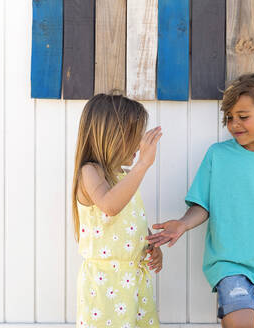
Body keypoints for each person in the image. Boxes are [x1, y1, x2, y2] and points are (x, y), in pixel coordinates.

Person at [147, 74, 254, 328]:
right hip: (229, 264)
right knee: (241, 322)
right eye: (229, 118)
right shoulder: (218, 156)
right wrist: (182, 224)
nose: (234, 124)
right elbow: (203, 206)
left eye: (243, 116)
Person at [72, 93, 163, 328]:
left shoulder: (122, 176)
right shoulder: (90, 172)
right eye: (134, 136)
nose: (139, 144)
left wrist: (148, 247)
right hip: (105, 285)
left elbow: (129, 223)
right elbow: (111, 206)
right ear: (112, 136)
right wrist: (143, 164)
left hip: (133, 281)